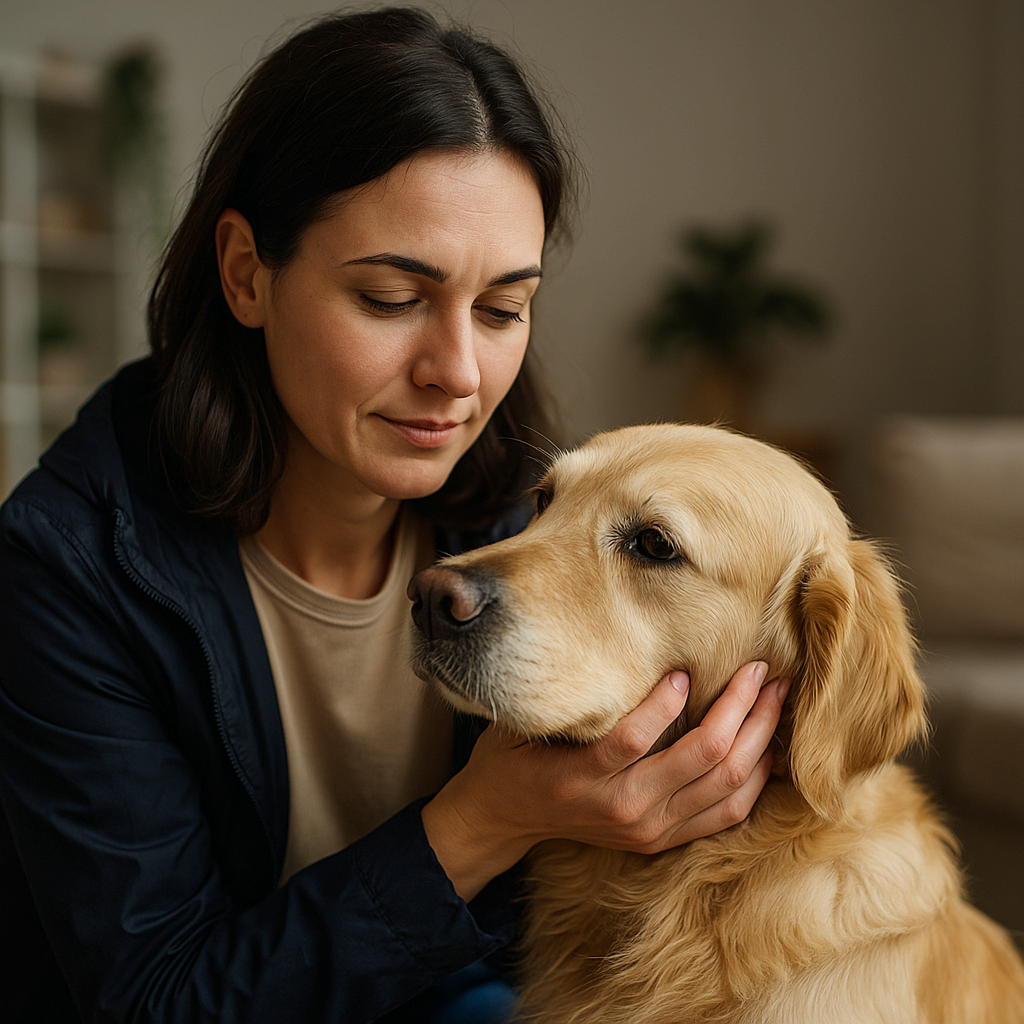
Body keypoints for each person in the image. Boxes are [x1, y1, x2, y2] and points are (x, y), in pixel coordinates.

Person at [0, 8, 788, 1023]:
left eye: (503, 309)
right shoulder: (66, 567)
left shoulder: (528, 514)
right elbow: (157, 1001)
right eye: (388, 296)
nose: (457, 374)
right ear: (245, 272)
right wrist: (481, 820)